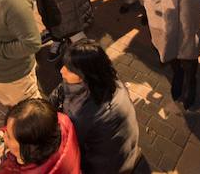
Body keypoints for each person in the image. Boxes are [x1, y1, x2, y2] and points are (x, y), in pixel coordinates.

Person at [49, 40, 140, 174]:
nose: (62, 71)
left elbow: (68, 143)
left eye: (69, 69)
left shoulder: (90, 114)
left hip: (106, 166)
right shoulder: (106, 80)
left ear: (85, 75)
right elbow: (61, 91)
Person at [0, 98, 81, 174]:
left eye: (9, 137)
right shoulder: (62, 121)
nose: (5, 137)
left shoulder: (14, 171)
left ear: (29, 148)